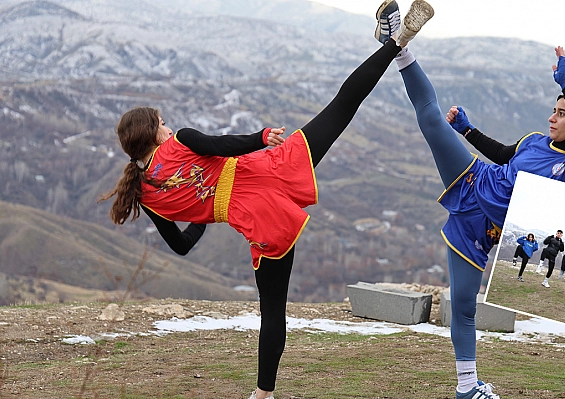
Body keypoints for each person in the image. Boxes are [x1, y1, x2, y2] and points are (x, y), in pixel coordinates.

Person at [100, 2, 434, 398]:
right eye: (162, 122)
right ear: (154, 133)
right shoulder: (180, 141)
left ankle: (264, 394)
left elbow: (182, 246)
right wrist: (260, 137)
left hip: (257, 219)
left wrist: (208, 209)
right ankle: (395, 42)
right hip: (269, 168)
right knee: (342, 107)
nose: (168, 125)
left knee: (273, 311)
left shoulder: (149, 196)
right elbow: (222, 146)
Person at [386, 0, 565, 395]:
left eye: (561, 113)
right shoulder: (535, 140)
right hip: (474, 181)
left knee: (464, 306)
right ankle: (400, 46)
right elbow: (504, 155)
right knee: (432, 119)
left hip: (482, 231)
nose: (552, 117)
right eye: (553, 110)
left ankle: (467, 388)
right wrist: (468, 131)